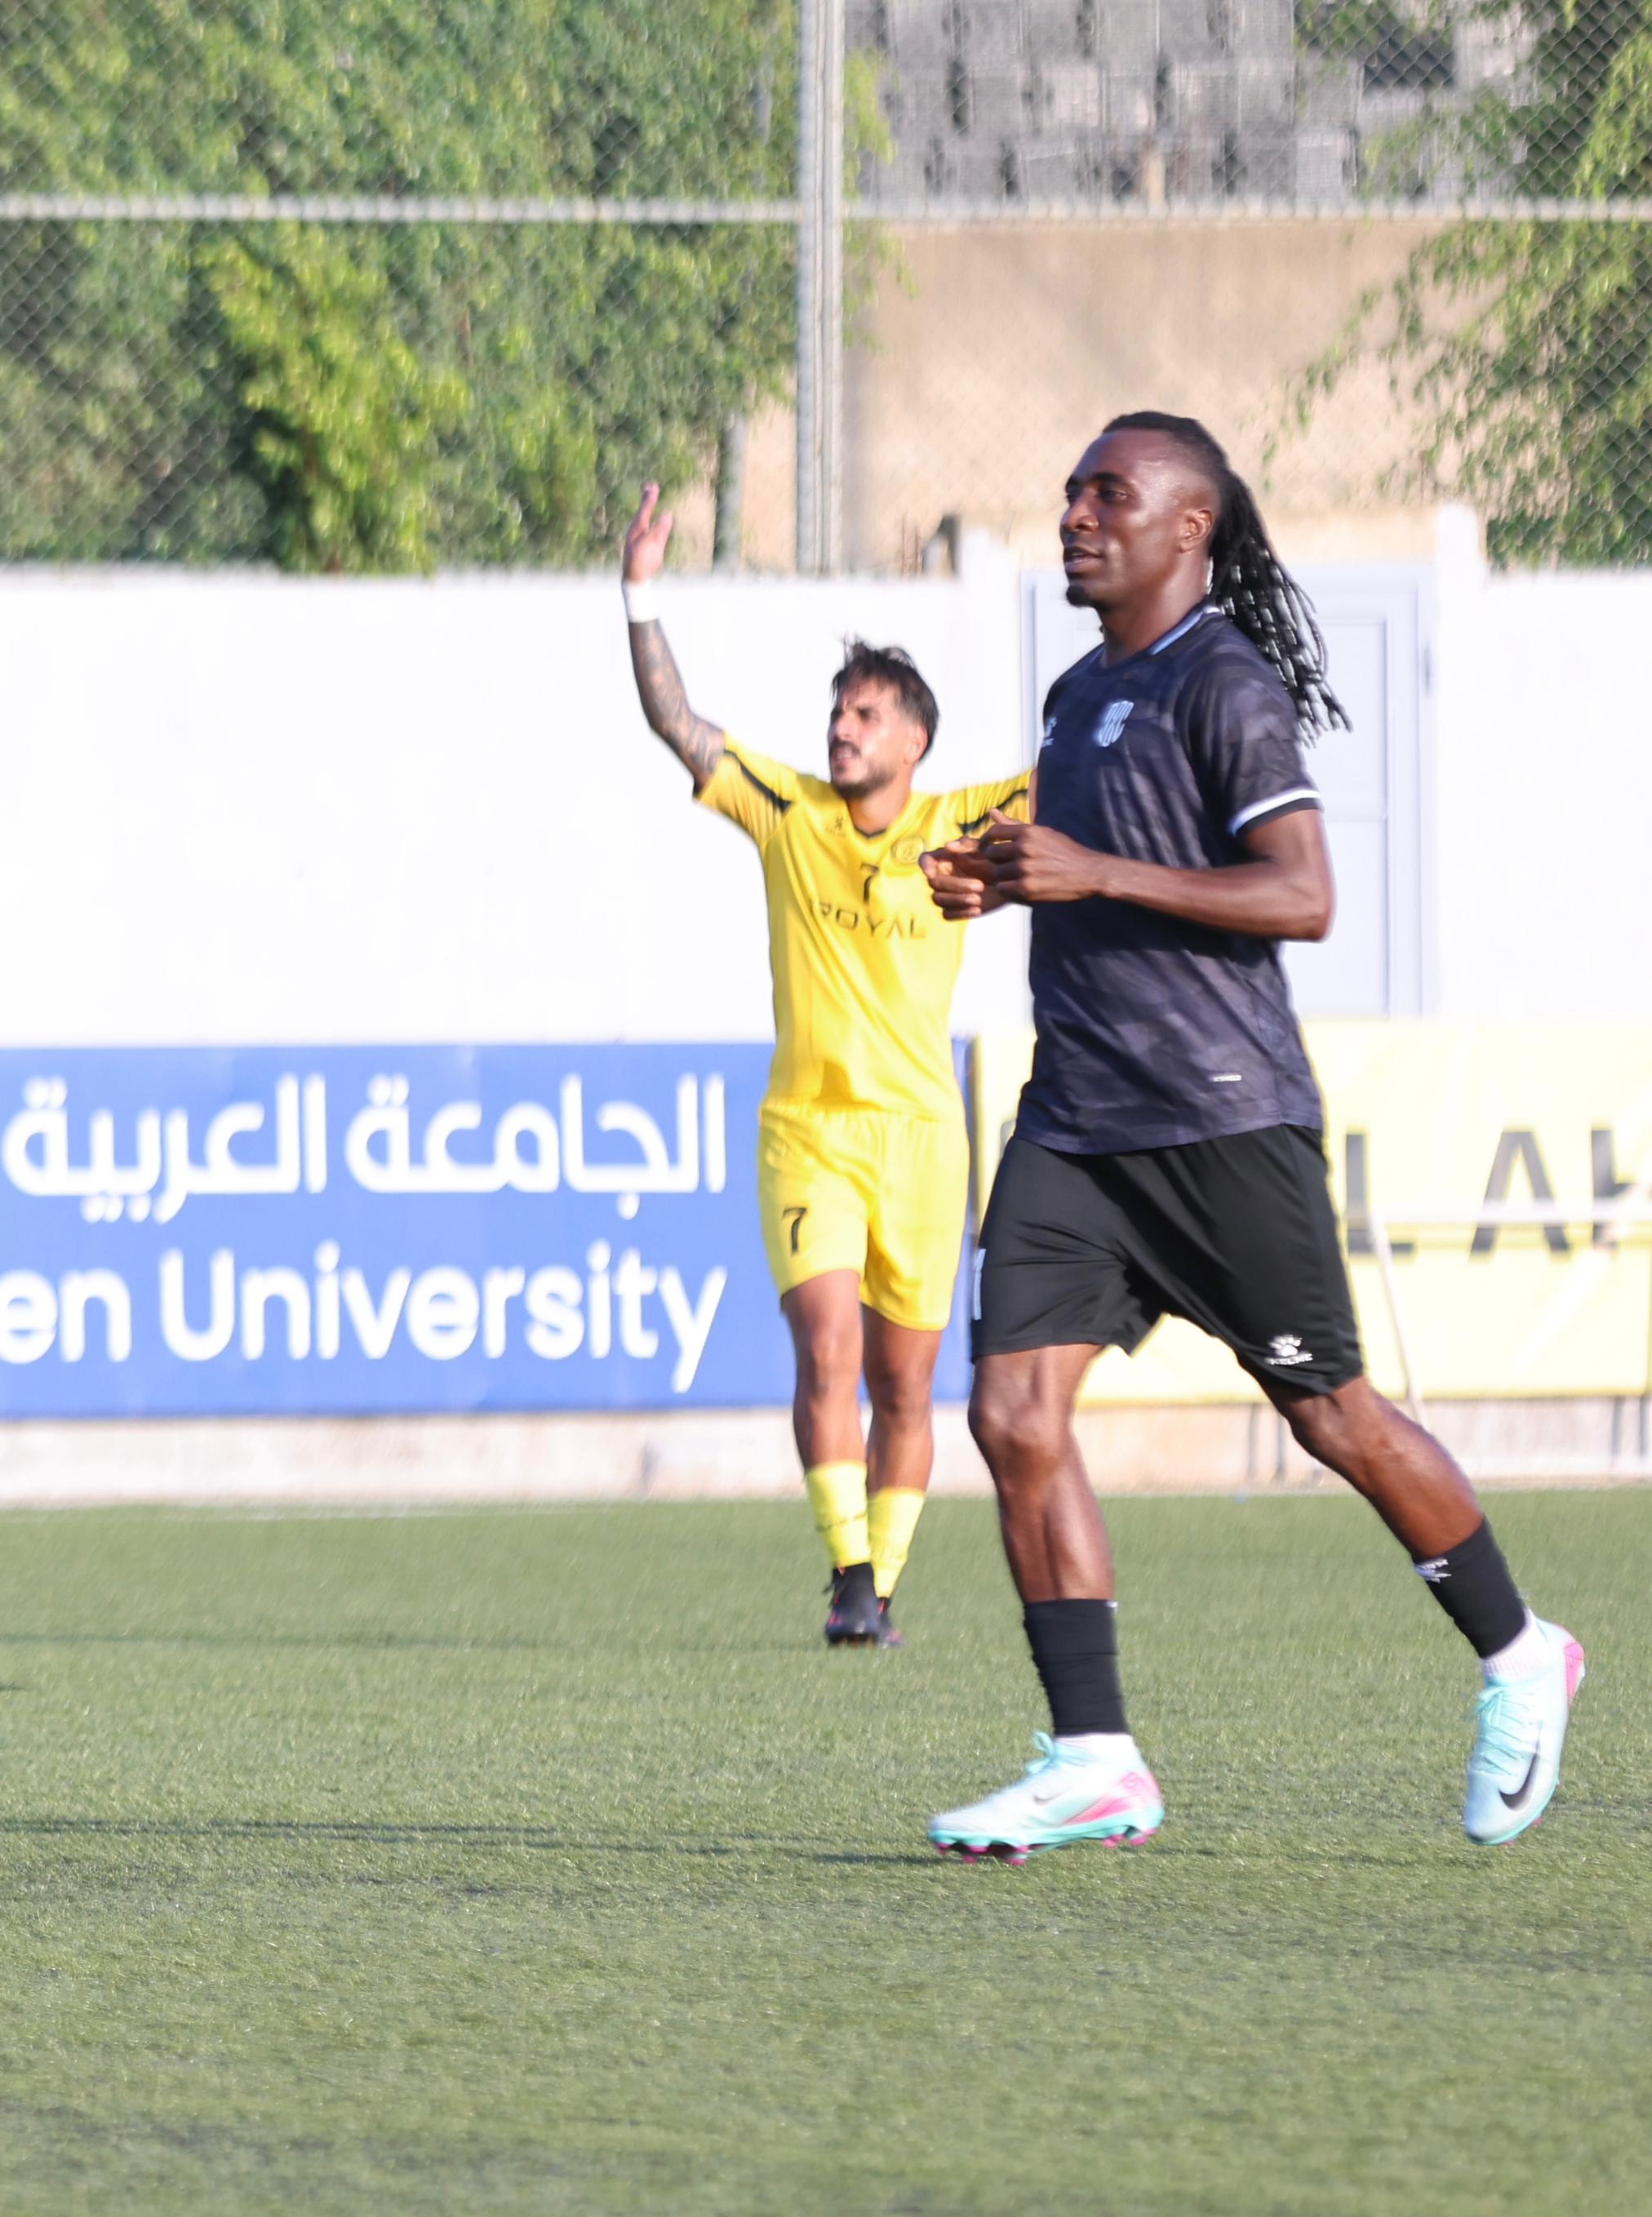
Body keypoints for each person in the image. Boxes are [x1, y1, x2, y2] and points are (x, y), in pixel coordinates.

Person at [919, 411, 1581, 1858]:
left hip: (1222, 1124)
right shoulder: (1078, 690)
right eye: (1074, 485)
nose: (1076, 510)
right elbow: (1107, 878)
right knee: (1011, 1415)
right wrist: (1013, 883)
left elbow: (1300, 897)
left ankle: (1521, 1650)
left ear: (1188, 529)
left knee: (1332, 1415)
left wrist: (1090, 868)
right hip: (1077, 1125)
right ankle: (1095, 1759)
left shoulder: (1226, 684)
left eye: (1111, 493)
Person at [618, 483, 1025, 1648]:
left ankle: (884, 1581)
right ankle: (847, 1568)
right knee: (829, 1351)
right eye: (837, 711)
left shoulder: (960, 820)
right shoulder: (786, 810)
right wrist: (641, 591)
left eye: (864, 715)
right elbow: (675, 722)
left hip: (924, 1148)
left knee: (906, 1386)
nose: (840, 729)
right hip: (810, 1136)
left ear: (914, 741)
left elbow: (1086, 781)